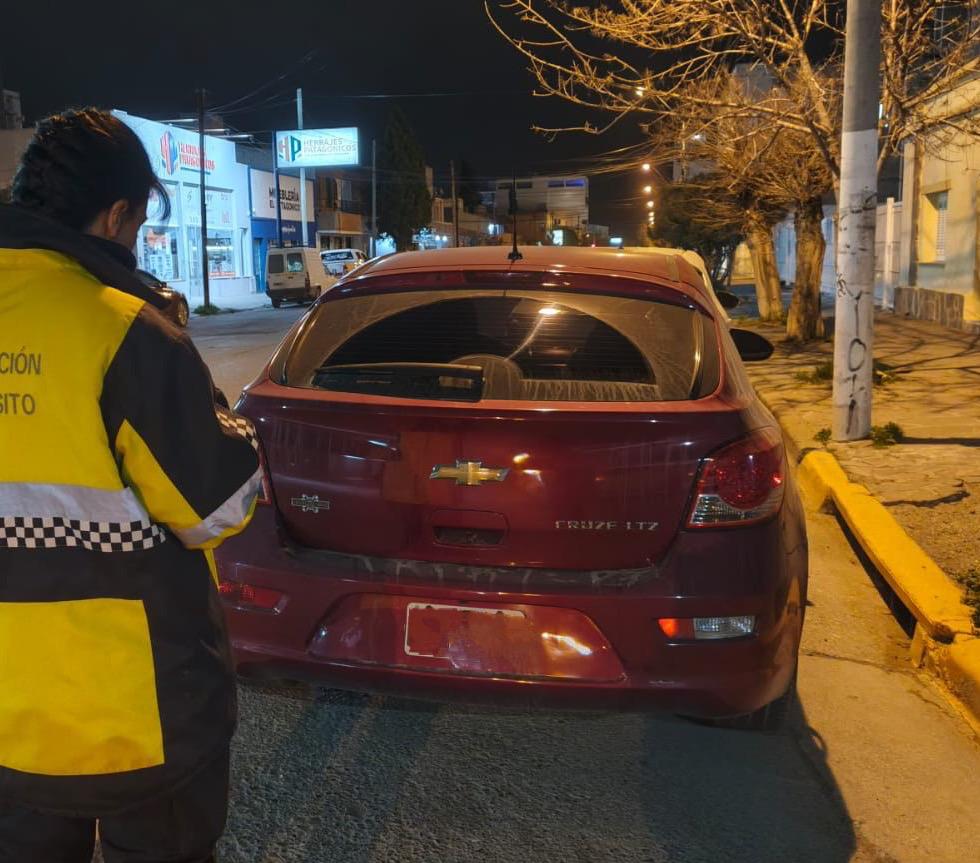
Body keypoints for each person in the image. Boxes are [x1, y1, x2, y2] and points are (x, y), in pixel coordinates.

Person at [0, 109, 261, 862]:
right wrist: (233, 427)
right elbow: (220, 506)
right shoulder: (124, 328)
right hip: (137, 717)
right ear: (116, 214)